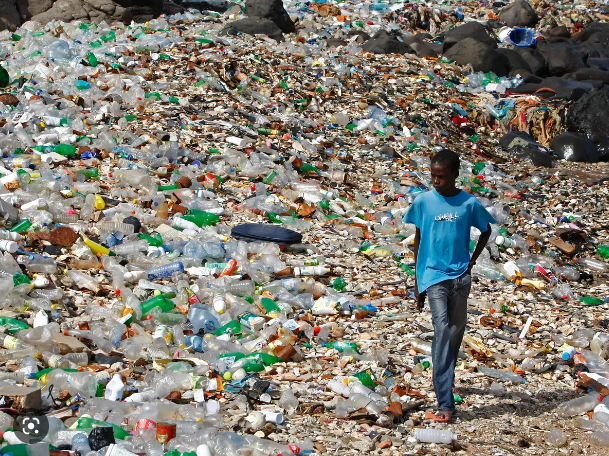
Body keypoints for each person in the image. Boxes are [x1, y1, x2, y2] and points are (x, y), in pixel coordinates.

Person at [404, 149, 497, 422]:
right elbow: (419, 240)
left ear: (455, 175)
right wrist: (418, 282)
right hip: (434, 277)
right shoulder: (423, 202)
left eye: (442, 176)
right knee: (441, 330)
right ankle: (445, 404)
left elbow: (486, 231)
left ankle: (447, 377)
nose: (436, 181)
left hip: (460, 278)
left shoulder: (468, 204)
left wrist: (471, 263)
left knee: (455, 334)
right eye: (433, 176)